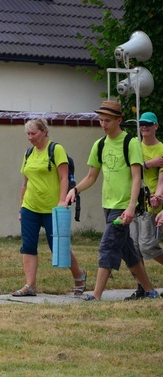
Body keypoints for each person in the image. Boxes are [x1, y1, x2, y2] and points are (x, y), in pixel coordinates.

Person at [66, 100, 159, 300]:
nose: (103, 124)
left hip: (123, 207)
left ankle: (97, 295)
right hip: (107, 205)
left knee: (107, 246)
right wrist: (75, 190)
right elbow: (91, 177)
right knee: (128, 250)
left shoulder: (130, 143)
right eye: (101, 120)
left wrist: (131, 207)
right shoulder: (99, 145)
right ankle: (150, 291)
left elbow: (136, 178)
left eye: (108, 120)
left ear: (119, 120)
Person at [12, 118, 87, 297]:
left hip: (52, 207)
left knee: (58, 246)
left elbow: (63, 178)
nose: (30, 137)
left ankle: (79, 276)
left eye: (34, 133)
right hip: (31, 206)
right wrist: (21, 207)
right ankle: (30, 285)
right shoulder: (29, 153)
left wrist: (62, 201)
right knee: (28, 245)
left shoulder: (56, 150)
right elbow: (25, 182)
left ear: (44, 131)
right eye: (28, 134)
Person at [125, 112, 163, 299]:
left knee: (147, 246)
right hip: (135, 201)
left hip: (152, 202)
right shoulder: (135, 147)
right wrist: (149, 164)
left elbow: (162, 177)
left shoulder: (161, 148)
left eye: (148, 124)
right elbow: (130, 170)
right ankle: (141, 287)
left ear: (156, 126)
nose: (144, 127)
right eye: (141, 124)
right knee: (134, 248)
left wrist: (158, 195)